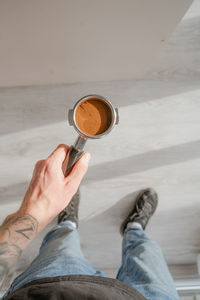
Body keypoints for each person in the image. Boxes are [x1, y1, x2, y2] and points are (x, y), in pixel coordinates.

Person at [0, 144, 179, 300]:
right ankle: (134, 228)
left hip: (54, 288)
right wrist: (36, 211)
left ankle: (67, 222)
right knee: (146, 250)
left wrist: (36, 211)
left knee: (63, 240)